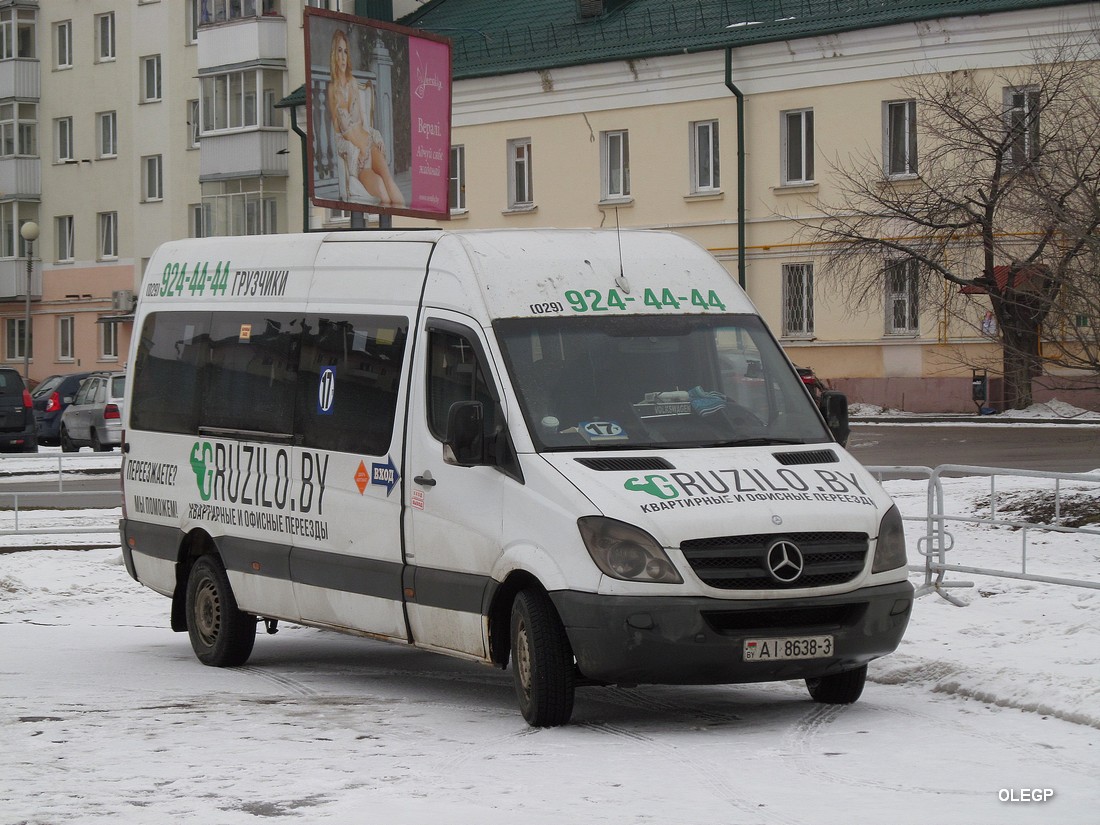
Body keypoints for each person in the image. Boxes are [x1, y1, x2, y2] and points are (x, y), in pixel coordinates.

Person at [327, 29, 404, 207]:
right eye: (339, 51)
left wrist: (375, 137)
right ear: (334, 54)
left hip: (369, 144)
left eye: (346, 51)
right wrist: (355, 151)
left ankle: (408, 225)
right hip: (359, 161)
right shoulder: (332, 89)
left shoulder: (353, 82)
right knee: (384, 197)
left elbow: (362, 122)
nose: (343, 56)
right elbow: (337, 134)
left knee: (389, 180)